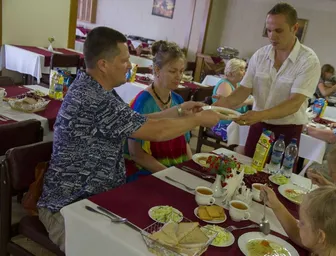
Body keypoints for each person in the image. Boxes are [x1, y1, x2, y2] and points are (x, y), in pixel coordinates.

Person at [36, 27, 220, 251]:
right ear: (103, 65)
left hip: (100, 199)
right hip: (69, 208)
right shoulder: (94, 98)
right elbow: (156, 132)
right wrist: (198, 120)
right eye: (124, 61)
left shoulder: (97, 89)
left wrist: (181, 111)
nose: (129, 66)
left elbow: (136, 120)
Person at [213, 3, 320, 164]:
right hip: (258, 126)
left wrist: (260, 115)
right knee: (247, 171)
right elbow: (244, 89)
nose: (272, 36)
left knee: (276, 179)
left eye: (278, 30)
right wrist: (221, 104)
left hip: (287, 131)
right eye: (269, 30)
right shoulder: (260, 55)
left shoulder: (308, 60)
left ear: (295, 28)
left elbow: (294, 103)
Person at [124, 41, 193, 182]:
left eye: (181, 71)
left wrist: (190, 168)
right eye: (172, 71)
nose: (179, 76)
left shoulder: (178, 100)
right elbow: (136, 153)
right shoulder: (143, 103)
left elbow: (185, 143)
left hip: (174, 169)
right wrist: (169, 175)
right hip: (147, 173)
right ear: (156, 70)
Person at [261, 185, 336, 255]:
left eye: (302, 223)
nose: (298, 225)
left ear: (321, 236)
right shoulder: (331, 247)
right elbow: (299, 236)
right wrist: (276, 205)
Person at [211, 58, 252, 141]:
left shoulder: (239, 85)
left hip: (237, 122)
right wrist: (249, 101)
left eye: (244, 69)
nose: (245, 72)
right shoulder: (225, 84)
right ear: (231, 72)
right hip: (224, 123)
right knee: (247, 138)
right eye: (241, 69)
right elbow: (228, 108)